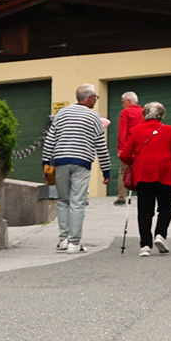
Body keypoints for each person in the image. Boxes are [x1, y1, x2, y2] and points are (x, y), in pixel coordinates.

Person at [42, 84, 113, 253]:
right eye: (95, 97)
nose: (96, 100)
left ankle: (63, 240)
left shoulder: (62, 114)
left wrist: (45, 163)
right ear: (88, 98)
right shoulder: (94, 117)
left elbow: (50, 138)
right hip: (82, 162)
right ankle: (74, 243)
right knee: (77, 203)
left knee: (63, 201)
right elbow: (100, 145)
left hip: (60, 161)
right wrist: (106, 170)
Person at [120, 98, 171, 256]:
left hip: (143, 173)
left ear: (144, 115)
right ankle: (160, 235)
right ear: (162, 116)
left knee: (145, 210)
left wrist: (135, 162)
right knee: (165, 207)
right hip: (165, 173)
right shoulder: (170, 130)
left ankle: (145, 245)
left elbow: (124, 154)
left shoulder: (136, 130)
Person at [112, 91, 146, 207]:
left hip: (129, 146)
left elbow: (122, 131)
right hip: (143, 146)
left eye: (122, 102)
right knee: (143, 170)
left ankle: (122, 197)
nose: (122, 105)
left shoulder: (125, 112)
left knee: (124, 171)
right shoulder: (144, 112)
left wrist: (121, 148)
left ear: (128, 101)